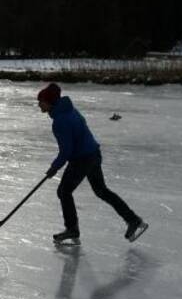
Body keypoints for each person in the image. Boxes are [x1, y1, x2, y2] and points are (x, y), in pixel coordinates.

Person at [38, 82, 147, 244]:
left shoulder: (60, 121)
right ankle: (133, 220)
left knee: (64, 191)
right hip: (93, 154)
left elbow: (66, 151)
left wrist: (54, 168)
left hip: (81, 159)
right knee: (101, 190)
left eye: (41, 101)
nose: (39, 105)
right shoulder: (70, 110)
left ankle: (72, 230)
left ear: (49, 102)